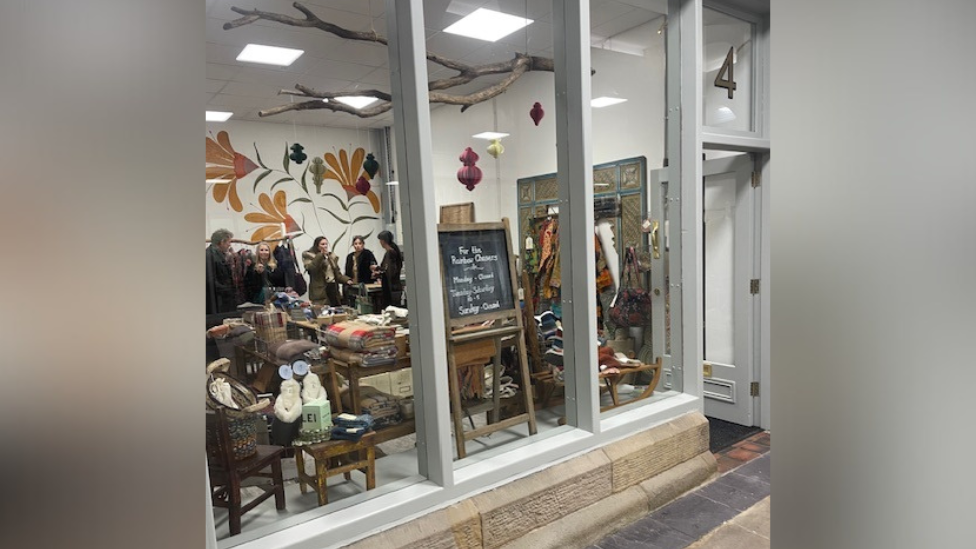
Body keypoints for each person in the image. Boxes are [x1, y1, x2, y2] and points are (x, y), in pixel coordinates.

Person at [302, 236, 352, 306]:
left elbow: (337, 273)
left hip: (332, 288)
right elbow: (312, 269)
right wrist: (320, 256)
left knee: (337, 310)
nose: (325, 246)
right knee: (323, 312)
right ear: (317, 245)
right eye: (322, 244)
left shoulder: (331, 257)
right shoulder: (309, 256)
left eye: (326, 244)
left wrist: (347, 280)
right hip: (320, 290)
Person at [206, 228, 237, 315]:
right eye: (228, 242)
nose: (229, 245)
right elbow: (210, 281)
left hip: (221, 301)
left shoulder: (216, 255)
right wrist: (227, 291)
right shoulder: (209, 256)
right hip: (217, 303)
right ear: (222, 242)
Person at [372, 230, 403, 309]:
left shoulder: (391, 253)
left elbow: (390, 271)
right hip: (393, 286)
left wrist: (378, 270)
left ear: (383, 241)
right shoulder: (392, 251)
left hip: (391, 287)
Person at [343, 235, 377, 307]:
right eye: (355, 243)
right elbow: (346, 271)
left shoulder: (367, 254)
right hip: (353, 284)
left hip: (364, 283)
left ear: (363, 244)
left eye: (360, 243)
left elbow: (374, 266)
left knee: (364, 304)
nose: (357, 245)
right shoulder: (350, 256)